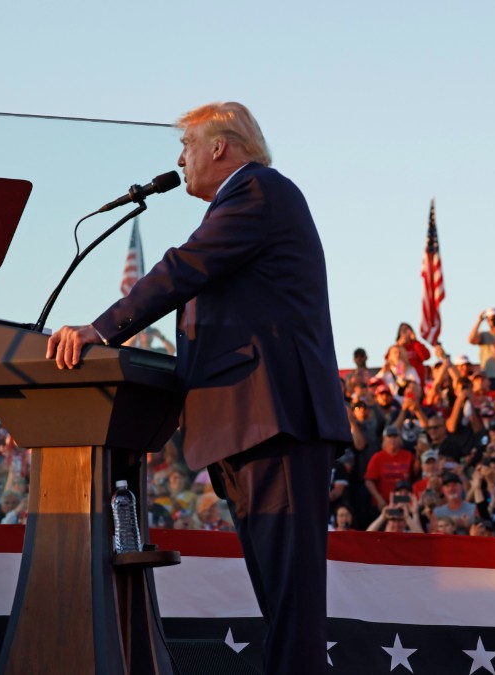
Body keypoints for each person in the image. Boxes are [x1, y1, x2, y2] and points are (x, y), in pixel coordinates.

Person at [45, 101, 350, 674]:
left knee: (292, 605)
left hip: (274, 423)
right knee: (282, 603)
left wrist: (101, 330)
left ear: (219, 147)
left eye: (187, 145)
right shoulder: (244, 202)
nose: (179, 159)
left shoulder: (259, 191)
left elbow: (183, 268)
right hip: (247, 428)